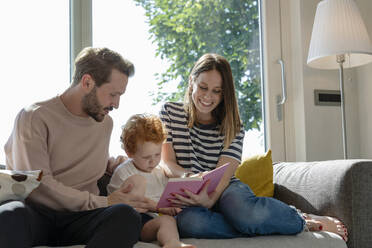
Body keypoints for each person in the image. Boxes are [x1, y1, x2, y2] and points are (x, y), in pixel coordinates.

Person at [159, 53, 348, 242]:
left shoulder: (233, 124)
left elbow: (223, 175)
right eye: (203, 87)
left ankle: (300, 219)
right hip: (190, 194)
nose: (208, 96)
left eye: (217, 91)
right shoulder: (169, 112)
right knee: (189, 223)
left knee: (243, 212)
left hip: (225, 189)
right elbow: (167, 163)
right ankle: (272, 225)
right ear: (192, 81)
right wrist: (187, 177)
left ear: (224, 93)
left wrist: (209, 199)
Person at [0, 47, 153, 248]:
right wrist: (103, 202)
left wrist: (116, 166)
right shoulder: (34, 117)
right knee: (10, 216)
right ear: (87, 82)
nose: (116, 104)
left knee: (125, 216)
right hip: (38, 214)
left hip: (81, 217)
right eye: (113, 94)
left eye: (120, 96)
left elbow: (85, 160)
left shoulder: (105, 123)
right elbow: (39, 185)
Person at [107, 113, 195, 248]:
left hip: (154, 219)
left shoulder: (159, 171)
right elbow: (134, 203)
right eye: (146, 157)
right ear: (130, 153)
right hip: (133, 220)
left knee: (173, 220)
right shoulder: (125, 171)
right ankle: (172, 243)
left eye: (157, 154)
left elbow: (166, 198)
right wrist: (161, 207)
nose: (153, 161)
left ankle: (173, 242)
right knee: (165, 219)